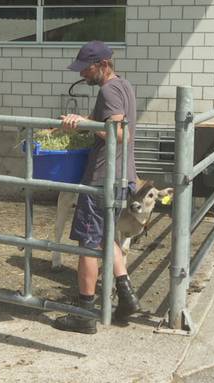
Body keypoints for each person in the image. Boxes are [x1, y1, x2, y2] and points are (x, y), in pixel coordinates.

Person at [52, 41, 140, 334]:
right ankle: (127, 297)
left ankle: (85, 314)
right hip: (122, 175)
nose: (83, 74)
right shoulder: (124, 86)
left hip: (103, 176)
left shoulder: (108, 89)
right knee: (105, 237)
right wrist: (81, 120)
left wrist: (87, 127)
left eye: (86, 69)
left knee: (88, 245)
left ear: (102, 64)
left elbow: (118, 133)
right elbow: (109, 121)